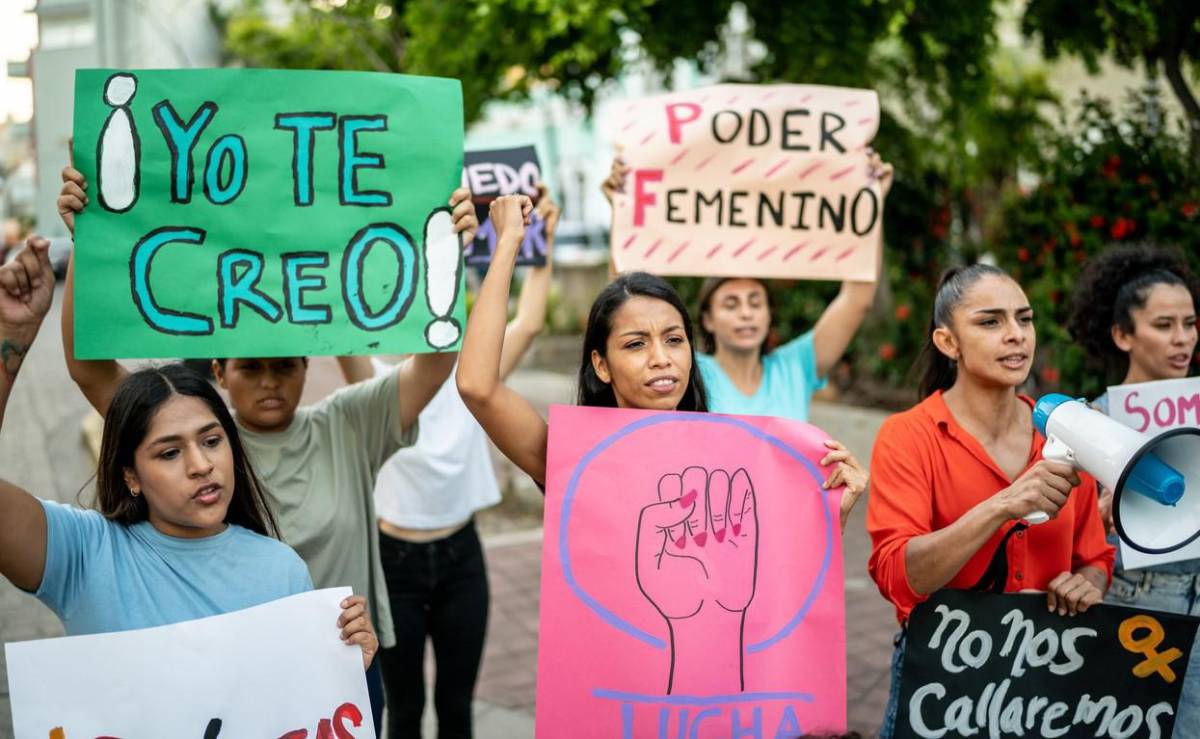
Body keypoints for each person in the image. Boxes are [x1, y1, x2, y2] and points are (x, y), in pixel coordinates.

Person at [56, 166, 477, 732]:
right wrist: (91, 238)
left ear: (310, 366)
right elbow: (88, 369)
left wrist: (446, 253)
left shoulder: (347, 424)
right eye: (250, 367)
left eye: (285, 365)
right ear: (220, 374)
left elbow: (435, 363)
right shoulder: (194, 433)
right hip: (226, 674)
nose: (270, 381)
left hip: (345, 661)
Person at [0, 237, 377, 666]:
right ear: (130, 475)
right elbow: (88, 368)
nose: (201, 466)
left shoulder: (283, 570)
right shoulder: (82, 554)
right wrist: (10, 338)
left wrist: (344, 667)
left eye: (212, 441)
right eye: (169, 453)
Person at [456, 194, 868, 530]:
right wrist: (508, 241)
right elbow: (477, 386)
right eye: (636, 345)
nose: (661, 359)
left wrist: (834, 513)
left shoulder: (733, 451)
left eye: (674, 340)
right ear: (601, 365)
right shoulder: (574, 456)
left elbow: (775, 563)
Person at [336, 186, 559, 738]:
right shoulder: (378, 387)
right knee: (404, 713)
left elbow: (527, 322)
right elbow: (342, 333)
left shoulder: (473, 375)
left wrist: (540, 245)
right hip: (394, 565)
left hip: (463, 557)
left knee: (458, 708)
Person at [866, 263, 1114, 738]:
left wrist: (1088, 584)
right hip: (940, 676)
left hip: (1047, 673)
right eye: (990, 322)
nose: (1016, 335)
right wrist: (1003, 505)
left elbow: (1095, 556)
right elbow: (900, 576)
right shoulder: (907, 436)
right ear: (947, 342)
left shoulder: (1068, 434)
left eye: (1025, 318)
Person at [600, 154, 893, 423]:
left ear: (768, 315)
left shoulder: (796, 367)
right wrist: (623, 211)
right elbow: (626, 304)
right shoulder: (686, 370)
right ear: (707, 319)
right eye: (730, 304)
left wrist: (871, 204)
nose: (746, 314)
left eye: (755, 302)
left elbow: (857, 300)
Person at [1066, 243, 1200, 735]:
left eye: (1189, 323)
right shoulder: (1090, 422)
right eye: (1163, 326)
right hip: (1135, 604)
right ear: (1123, 334)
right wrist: (1093, 522)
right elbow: (1068, 541)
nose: (1181, 339)